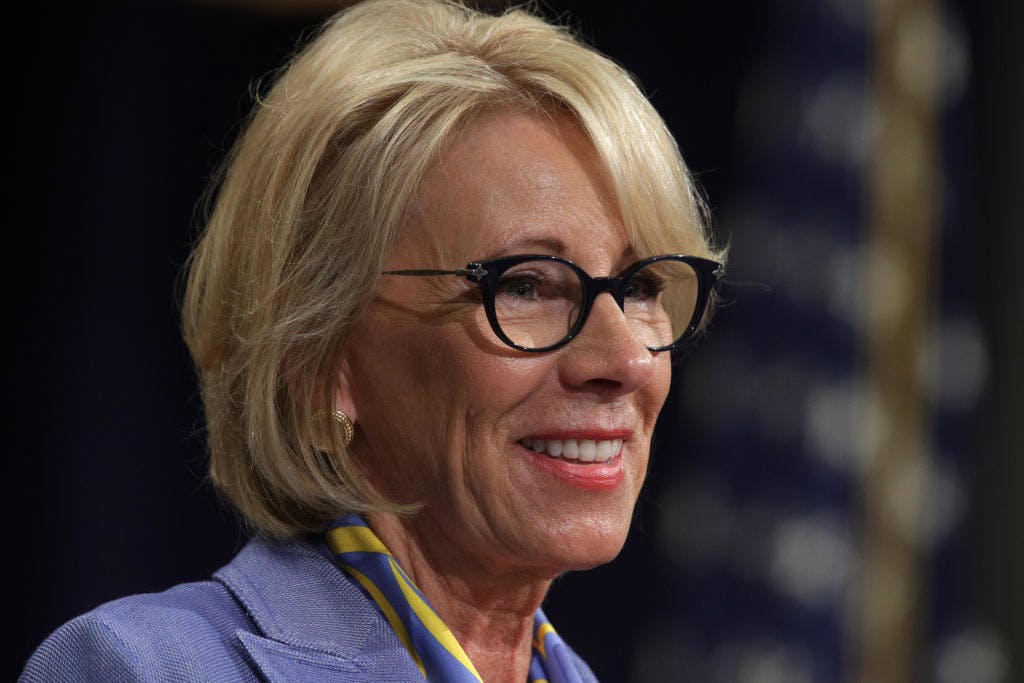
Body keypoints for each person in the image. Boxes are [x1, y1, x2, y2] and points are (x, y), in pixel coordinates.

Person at [21, 0, 725, 680]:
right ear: (318, 353)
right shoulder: (143, 669)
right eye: (526, 286)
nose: (625, 360)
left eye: (640, 286)